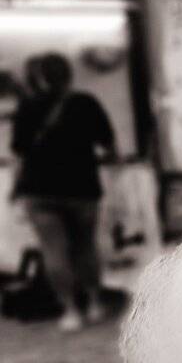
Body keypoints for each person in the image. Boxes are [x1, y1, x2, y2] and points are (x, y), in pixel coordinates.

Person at [10, 51, 118, 332]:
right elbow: (108, 144)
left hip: (39, 190)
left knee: (53, 250)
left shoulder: (28, 107)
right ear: (69, 75)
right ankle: (94, 304)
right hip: (82, 187)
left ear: (40, 77)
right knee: (85, 246)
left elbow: (19, 150)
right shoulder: (85, 103)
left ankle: (70, 312)